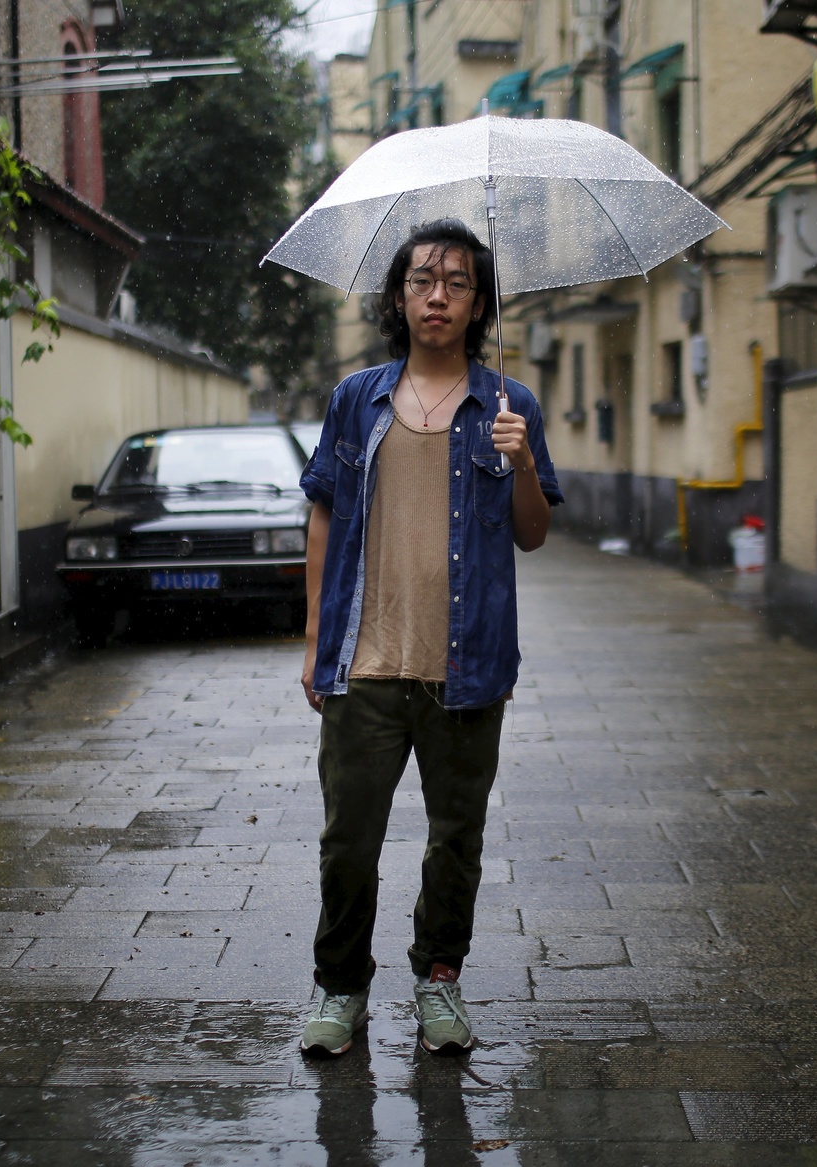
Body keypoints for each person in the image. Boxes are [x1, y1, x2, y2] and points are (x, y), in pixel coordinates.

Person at [296, 218, 563, 1057]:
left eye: (455, 281)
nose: (436, 294)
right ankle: (341, 988)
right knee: (349, 844)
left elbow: (534, 534)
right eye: (421, 279)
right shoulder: (356, 398)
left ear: (478, 300)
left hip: (467, 668)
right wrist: (313, 635)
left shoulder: (508, 405)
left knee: (456, 840)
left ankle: (438, 979)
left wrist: (521, 462)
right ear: (399, 297)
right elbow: (324, 512)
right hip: (365, 661)